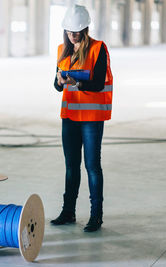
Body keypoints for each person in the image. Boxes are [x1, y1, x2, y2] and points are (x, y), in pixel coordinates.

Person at [50, 4, 113, 232]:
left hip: (91, 118)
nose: (73, 35)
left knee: (92, 166)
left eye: (76, 32)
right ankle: (68, 212)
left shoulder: (98, 48)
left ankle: (96, 216)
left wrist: (76, 82)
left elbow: (97, 83)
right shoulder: (62, 50)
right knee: (71, 167)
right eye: (69, 31)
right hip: (70, 117)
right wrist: (60, 81)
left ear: (85, 29)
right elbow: (56, 86)